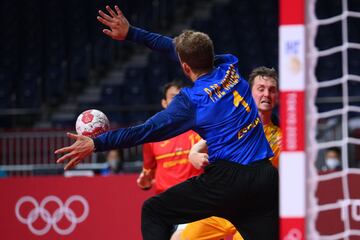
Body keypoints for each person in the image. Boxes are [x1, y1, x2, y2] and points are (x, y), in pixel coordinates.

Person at [55, 5, 278, 240]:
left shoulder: (192, 102)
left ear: (184, 67)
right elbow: (177, 48)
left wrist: (97, 144)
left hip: (226, 182)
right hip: (264, 178)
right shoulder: (229, 66)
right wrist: (131, 33)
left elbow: (144, 131)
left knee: (153, 211)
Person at [175, 67, 281, 240]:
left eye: (272, 90)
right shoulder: (233, 122)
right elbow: (198, 148)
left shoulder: (283, 137)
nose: (266, 94)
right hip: (222, 206)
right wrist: (193, 155)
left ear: (277, 97)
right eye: (261, 89)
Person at [137, 80, 203, 194]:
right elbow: (148, 173)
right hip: (166, 201)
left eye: (181, 97)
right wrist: (145, 181)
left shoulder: (202, 131)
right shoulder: (152, 136)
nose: (178, 101)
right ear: (164, 103)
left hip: (197, 198)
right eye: (173, 97)